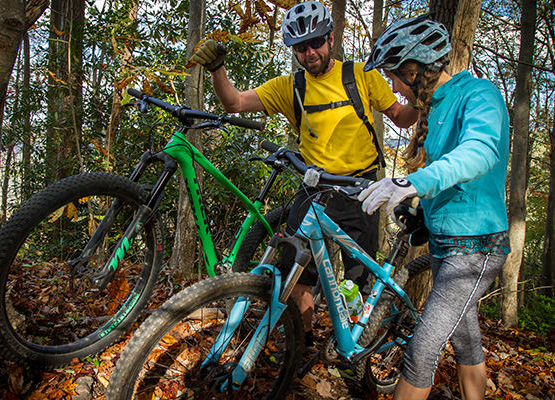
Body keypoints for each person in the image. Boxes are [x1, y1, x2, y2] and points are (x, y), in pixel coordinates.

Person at [187, 0, 421, 352]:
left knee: (360, 280)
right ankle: (302, 346)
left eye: (315, 43)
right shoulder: (290, 87)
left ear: (330, 38)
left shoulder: (361, 76)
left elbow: (401, 117)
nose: (309, 52)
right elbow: (234, 103)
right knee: (296, 275)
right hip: (313, 190)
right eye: (300, 47)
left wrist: (425, 91)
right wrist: (218, 68)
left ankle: (356, 350)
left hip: (362, 189)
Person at [359, 14, 509, 400]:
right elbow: (450, 180)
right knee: (465, 338)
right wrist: (420, 211)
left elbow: (479, 152)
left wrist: (414, 182)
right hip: (447, 242)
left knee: (421, 350)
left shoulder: (479, 94)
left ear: (415, 70)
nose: (392, 86)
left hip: (477, 246)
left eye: (393, 75)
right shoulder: (435, 109)